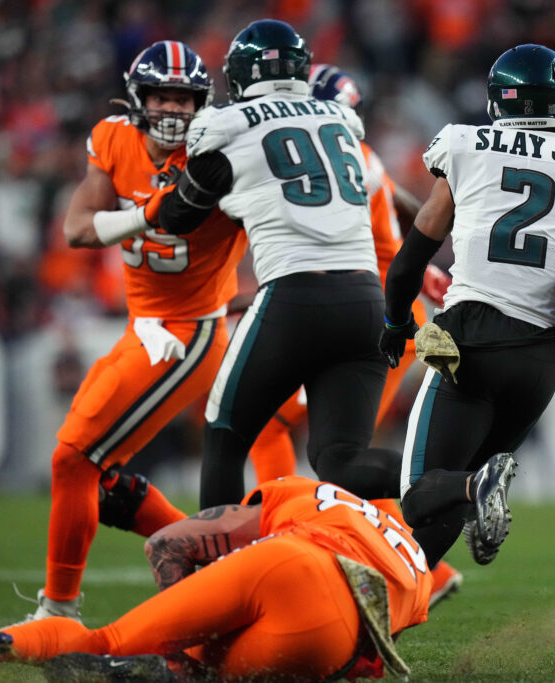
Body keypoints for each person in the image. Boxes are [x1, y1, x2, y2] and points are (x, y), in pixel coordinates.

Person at [379, 44, 555, 568]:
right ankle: (384, 622)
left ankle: (477, 486)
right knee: (448, 507)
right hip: (537, 359)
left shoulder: (466, 145)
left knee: (418, 494)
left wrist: (394, 321)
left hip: (469, 341)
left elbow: (413, 255)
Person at [21, 40, 249, 623]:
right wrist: (149, 213)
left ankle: (59, 609)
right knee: (101, 475)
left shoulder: (224, 155)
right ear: (138, 98)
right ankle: (223, 572)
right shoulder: (114, 137)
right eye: (162, 95)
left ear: (204, 104)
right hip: (143, 324)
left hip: (192, 331)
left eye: (185, 98)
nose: (173, 108)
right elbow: (76, 229)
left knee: (74, 458)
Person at [154, 20, 403, 508]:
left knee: (224, 438)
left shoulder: (225, 124)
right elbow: (383, 185)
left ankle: (216, 574)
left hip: (294, 298)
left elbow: (179, 219)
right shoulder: (341, 120)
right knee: (340, 461)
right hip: (366, 302)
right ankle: (456, 481)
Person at [246, 62, 463, 607]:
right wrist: (424, 263)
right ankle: (429, 570)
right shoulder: (359, 159)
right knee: (339, 453)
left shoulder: (330, 163)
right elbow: (409, 208)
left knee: (306, 439)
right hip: (389, 314)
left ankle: (283, 537)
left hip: (384, 320)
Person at [0, 475, 431, 681]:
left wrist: (182, 635)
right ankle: (161, 673)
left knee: (108, 640)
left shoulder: (313, 493)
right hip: (332, 637)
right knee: (195, 676)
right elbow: (366, 658)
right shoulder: (422, 575)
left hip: (294, 561)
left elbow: (171, 543)